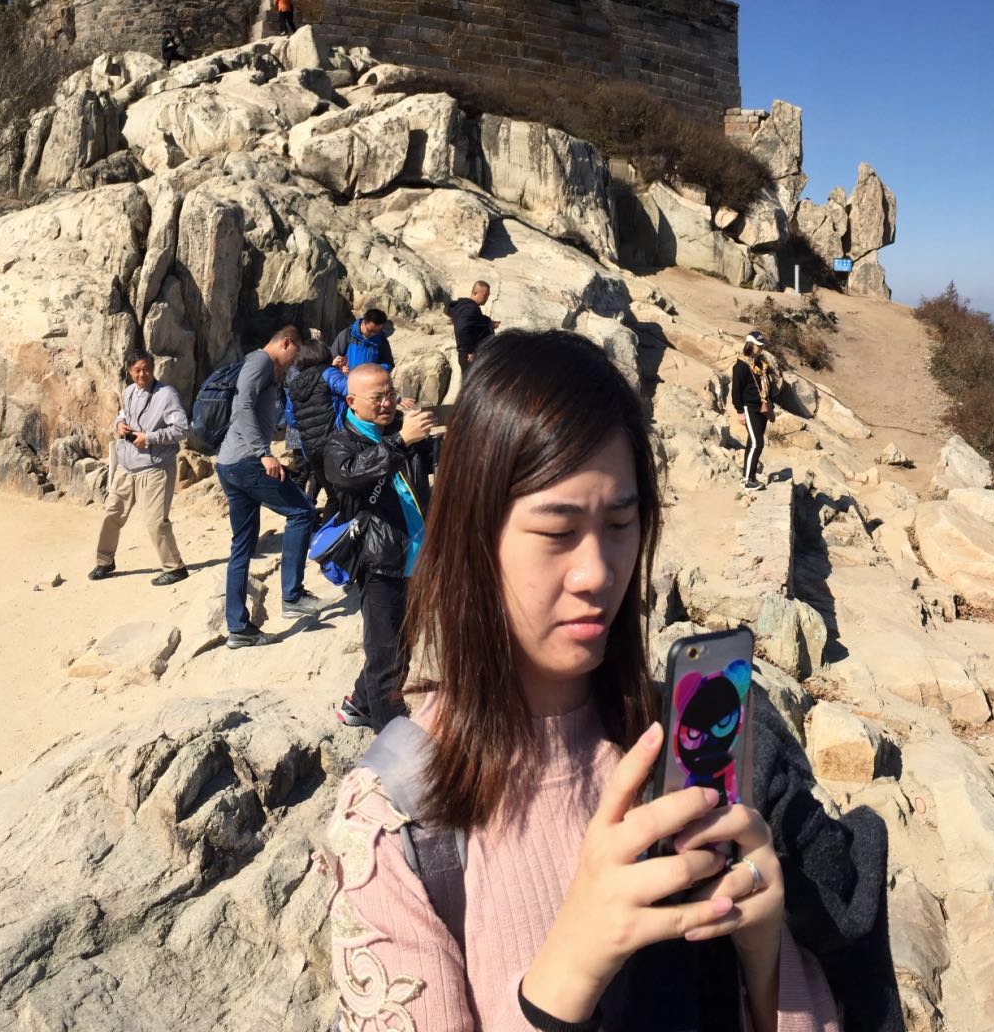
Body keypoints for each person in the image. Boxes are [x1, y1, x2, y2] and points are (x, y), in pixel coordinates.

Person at [319, 330, 839, 1031]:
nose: (599, 572)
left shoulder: (680, 748)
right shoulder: (393, 828)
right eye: (557, 531)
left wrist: (761, 956)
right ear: (475, 539)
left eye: (621, 522)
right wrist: (569, 970)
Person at [309, 361, 439, 728]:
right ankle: (393, 737)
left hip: (417, 555)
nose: (387, 403)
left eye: (391, 394)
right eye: (378, 397)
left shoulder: (401, 429)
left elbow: (434, 461)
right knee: (390, 660)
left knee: (399, 644)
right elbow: (350, 474)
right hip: (379, 562)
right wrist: (401, 441)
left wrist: (424, 434)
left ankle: (362, 704)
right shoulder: (339, 443)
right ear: (351, 401)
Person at [216, 326, 324, 644]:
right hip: (247, 463)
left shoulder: (269, 369)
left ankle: (238, 630)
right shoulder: (260, 361)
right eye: (296, 351)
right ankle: (292, 596)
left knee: (242, 547)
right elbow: (243, 407)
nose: (296, 359)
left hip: (231, 464)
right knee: (303, 510)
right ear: (286, 342)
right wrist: (264, 454)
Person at [96, 353, 192, 586]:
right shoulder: (129, 391)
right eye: (137, 370)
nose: (142, 374)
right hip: (126, 467)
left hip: (154, 468)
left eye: (146, 369)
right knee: (112, 514)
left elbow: (182, 429)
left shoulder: (167, 394)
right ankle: (104, 562)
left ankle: (175, 568)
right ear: (129, 371)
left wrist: (149, 438)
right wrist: (119, 425)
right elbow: (123, 415)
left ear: (153, 368)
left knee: (155, 521)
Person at [726, 337, 774, 491]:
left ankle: (749, 477)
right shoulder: (740, 366)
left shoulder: (760, 364)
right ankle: (748, 481)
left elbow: (765, 385)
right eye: (758, 346)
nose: (761, 348)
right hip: (749, 408)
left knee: (752, 443)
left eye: (762, 346)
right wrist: (740, 411)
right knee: (757, 443)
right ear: (750, 345)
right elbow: (736, 392)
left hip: (761, 408)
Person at [447, 281, 495, 397]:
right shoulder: (470, 309)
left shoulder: (465, 307)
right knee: (473, 388)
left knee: (471, 386)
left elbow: (474, 323)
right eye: (485, 295)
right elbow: (463, 329)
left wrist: (489, 323)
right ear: (475, 293)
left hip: (469, 354)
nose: (487, 298)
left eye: (488, 295)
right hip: (470, 356)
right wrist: (469, 351)